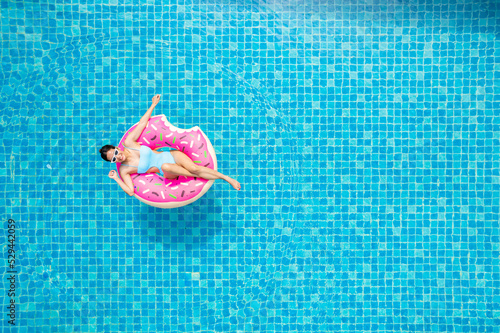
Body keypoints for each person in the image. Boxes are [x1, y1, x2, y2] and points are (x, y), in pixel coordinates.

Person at [100, 94, 241, 196]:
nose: (118, 157)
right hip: (167, 171)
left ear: (117, 148)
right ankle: (200, 175)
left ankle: (227, 178)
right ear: (112, 162)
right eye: (113, 159)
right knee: (165, 166)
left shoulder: (129, 143)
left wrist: (153, 105)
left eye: (116, 153)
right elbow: (130, 192)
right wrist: (116, 178)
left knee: (193, 167)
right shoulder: (124, 170)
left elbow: (142, 124)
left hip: (171, 155)